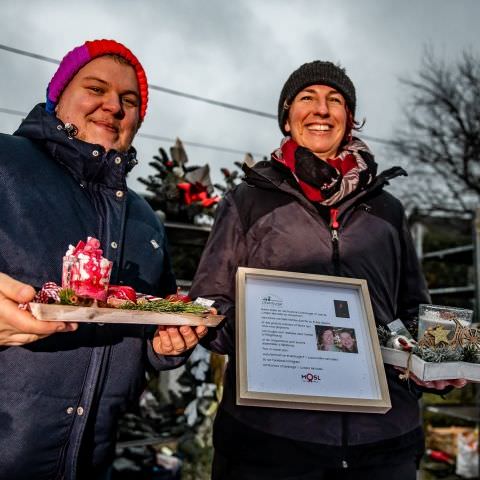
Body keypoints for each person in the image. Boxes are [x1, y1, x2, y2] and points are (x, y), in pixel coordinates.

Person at [188, 61, 467, 480]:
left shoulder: (387, 209)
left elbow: (413, 308)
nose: (321, 110)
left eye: (334, 101)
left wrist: (440, 363)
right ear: (287, 116)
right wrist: (260, 332)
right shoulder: (248, 200)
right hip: (271, 441)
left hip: (382, 441)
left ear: (349, 118)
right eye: (307, 99)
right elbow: (211, 303)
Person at [0, 39, 206, 479]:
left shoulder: (145, 218)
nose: (113, 105)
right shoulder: (5, 162)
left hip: (94, 460)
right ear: (59, 97)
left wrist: (165, 346)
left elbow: (153, 320)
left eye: (128, 100)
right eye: (96, 89)